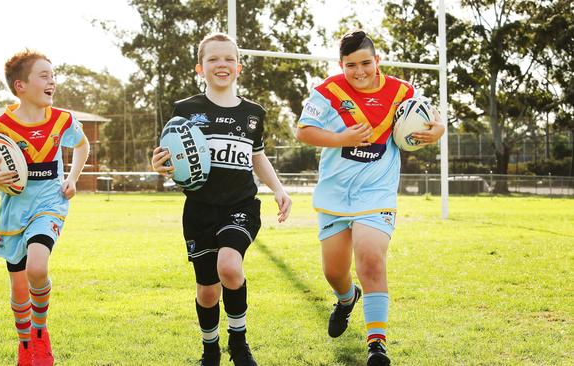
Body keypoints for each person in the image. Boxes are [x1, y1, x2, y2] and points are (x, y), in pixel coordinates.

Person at [296, 30, 444, 366]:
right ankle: (346, 299)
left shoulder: (402, 91)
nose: (360, 71)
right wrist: (342, 138)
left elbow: (433, 123)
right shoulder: (328, 91)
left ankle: (376, 344)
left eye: (366, 63)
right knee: (334, 272)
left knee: (370, 259)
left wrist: (438, 131)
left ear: (377, 61)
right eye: (351, 66)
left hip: (376, 193)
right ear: (341, 65)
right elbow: (303, 132)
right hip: (335, 194)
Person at [151, 33, 292, 366]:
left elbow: (257, 156)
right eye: (213, 59)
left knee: (230, 266)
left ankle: (239, 344)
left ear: (239, 67)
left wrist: (278, 188)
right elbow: (170, 157)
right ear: (201, 68)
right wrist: (161, 166)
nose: (221, 64)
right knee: (208, 290)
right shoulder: (185, 110)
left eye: (228, 58)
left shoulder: (253, 113)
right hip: (199, 209)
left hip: (241, 205)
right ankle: (210, 350)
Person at [0, 49, 90, 366]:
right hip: (14, 210)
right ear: (20, 86)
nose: (52, 81)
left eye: (53, 76)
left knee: (37, 267)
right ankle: (25, 344)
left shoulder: (63, 120)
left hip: (50, 202)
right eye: (44, 75)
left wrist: (73, 178)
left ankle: (40, 334)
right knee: (19, 285)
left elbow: (82, 145)